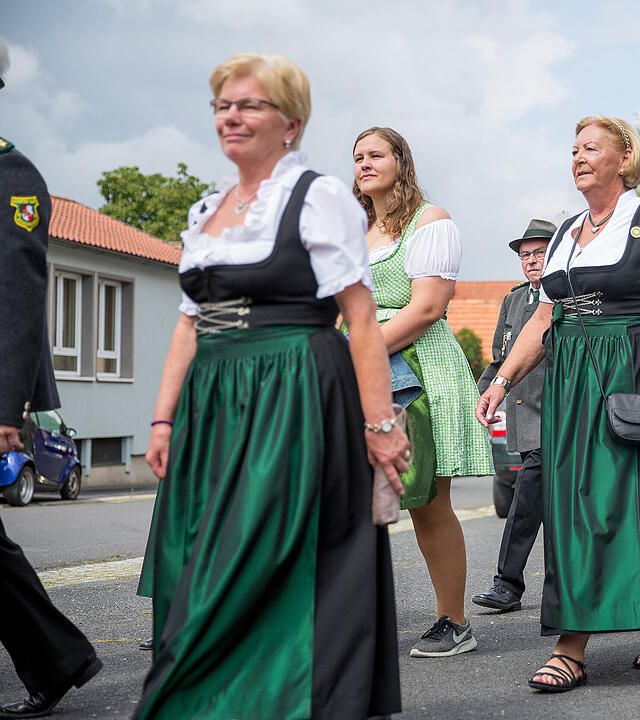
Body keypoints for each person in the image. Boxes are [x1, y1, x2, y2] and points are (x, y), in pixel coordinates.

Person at [135, 54, 406, 718]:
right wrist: (163, 419)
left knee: (260, 558)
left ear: (291, 122)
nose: (232, 115)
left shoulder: (318, 196)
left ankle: (278, 699)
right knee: (198, 561)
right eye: (223, 105)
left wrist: (380, 426)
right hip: (214, 403)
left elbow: (362, 318)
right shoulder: (206, 209)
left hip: (292, 394)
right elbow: (188, 323)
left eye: (250, 104)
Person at [476, 116, 640, 692]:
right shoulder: (569, 230)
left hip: (634, 375)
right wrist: (501, 379)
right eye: (573, 149)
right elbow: (545, 317)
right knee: (575, 503)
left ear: (624, 157)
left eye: (591, 148)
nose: (578, 157)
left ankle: (571, 646)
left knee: (615, 503)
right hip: (571, 384)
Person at [352, 126, 494, 657]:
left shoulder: (431, 222)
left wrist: (354, 353)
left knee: (426, 502)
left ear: (400, 162)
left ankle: (453, 622)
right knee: (348, 497)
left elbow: (427, 308)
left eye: (376, 155)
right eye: (357, 157)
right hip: (361, 367)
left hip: (416, 369)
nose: (364, 164)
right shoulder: (356, 231)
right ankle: (351, 615)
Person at [0, 37, 102, 719]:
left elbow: (18, 298)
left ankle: (59, 659)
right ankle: (60, 659)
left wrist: (9, 409)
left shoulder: (13, 176)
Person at [472, 219, 555, 613]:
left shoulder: (567, 298)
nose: (533, 261)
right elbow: (501, 359)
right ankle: (562, 589)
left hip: (556, 418)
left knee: (525, 501)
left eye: (540, 252)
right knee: (546, 506)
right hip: (523, 421)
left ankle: (507, 584)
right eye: (526, 255)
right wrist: (481, 395)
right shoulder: (514, 300)